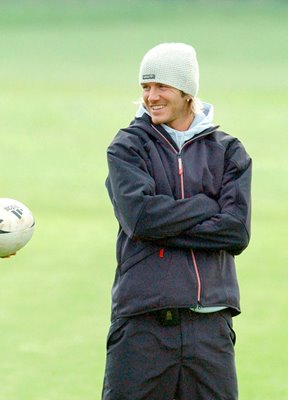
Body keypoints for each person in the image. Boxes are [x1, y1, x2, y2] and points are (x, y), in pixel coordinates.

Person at [102, 43, 252, 399]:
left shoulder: (229, 151)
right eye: (145, 87)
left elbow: (235, 231)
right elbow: (140, 219)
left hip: (210, 328)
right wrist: (204, 205)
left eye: (161, 87)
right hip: (143, 326)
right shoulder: (127, 147)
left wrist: (166, 222)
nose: (151, 97)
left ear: (187, 92)